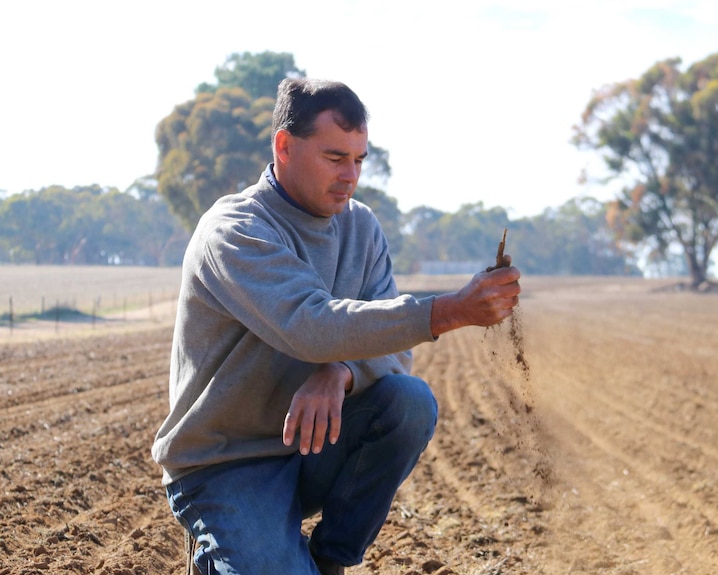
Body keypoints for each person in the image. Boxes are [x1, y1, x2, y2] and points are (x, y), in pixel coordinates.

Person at [151, 77, 521, 575]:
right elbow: (309, 325)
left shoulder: (361, 228)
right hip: (226, 464)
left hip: (308, 446)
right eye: (334, 157)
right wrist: (452, 310)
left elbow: (395, 356)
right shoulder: (234, 230)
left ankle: (329, 561)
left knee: (409, 402)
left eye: (359, 159)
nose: (351, 175)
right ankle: (219, 552)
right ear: (284, 146)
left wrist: (341, 372)